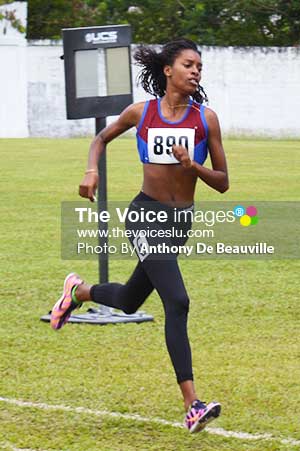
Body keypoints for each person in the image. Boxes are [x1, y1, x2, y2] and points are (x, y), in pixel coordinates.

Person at [50, 38, 229, 433]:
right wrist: (90, 170)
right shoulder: (140, 113)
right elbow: (100, 139)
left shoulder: (206, 119)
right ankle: (192, 405)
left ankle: (77, 292)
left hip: (179, 223)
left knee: (131, 301)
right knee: (177, 301)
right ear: (168, 70)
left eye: (200, 65)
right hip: (145, 216)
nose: (196, 70)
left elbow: (223, 183)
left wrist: (192, 166)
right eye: (188, 64)